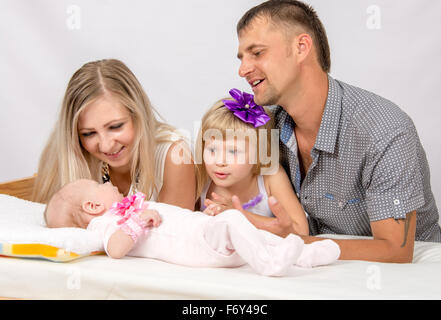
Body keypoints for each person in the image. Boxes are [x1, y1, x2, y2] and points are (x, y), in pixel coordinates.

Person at [232, 0, 441, 263]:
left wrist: (296, 243)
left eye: (257, 53)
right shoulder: (267, 124)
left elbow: (395, 250)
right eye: (242, 58)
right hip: (319, 273)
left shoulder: (385, 129)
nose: (243, 70)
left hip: (408, 279)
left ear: (301, 48)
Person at [44, 179, 341, 276]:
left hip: (200, 231)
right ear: (92, 208)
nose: (108, 183)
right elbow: (117, 249)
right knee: (235, 220)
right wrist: (138, 220)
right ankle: (270, 263)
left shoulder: (120, 212)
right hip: (197, 246)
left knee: (247, 231)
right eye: (100, 185)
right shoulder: (105, 225)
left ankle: (304, 255)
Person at [32, 59, 196, 211]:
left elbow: (173, 237)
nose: (105, 145)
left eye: (115, 126)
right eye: (88, 133)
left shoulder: (174, 156)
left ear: (138, 114)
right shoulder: (70, 157)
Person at [195, 90, 309, 236]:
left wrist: (238, 215)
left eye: (233, 152)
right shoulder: (200, 175)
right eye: (212, 149)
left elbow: (301, 230)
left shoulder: (270, 176)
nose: (220, 161)